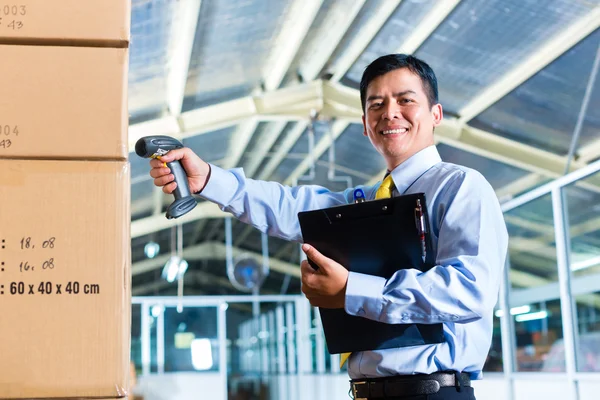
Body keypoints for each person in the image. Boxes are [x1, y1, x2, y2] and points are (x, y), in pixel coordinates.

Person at [148, 54, 508, 400]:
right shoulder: (368, 203)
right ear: (366, 126)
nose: (390, 113)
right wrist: (208, 179)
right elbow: (290, 207)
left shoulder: (461, 188)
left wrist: (352, 289)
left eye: (405, 100)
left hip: (433, 393)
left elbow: (469, 290)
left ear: (436, 114)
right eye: (376, 104)